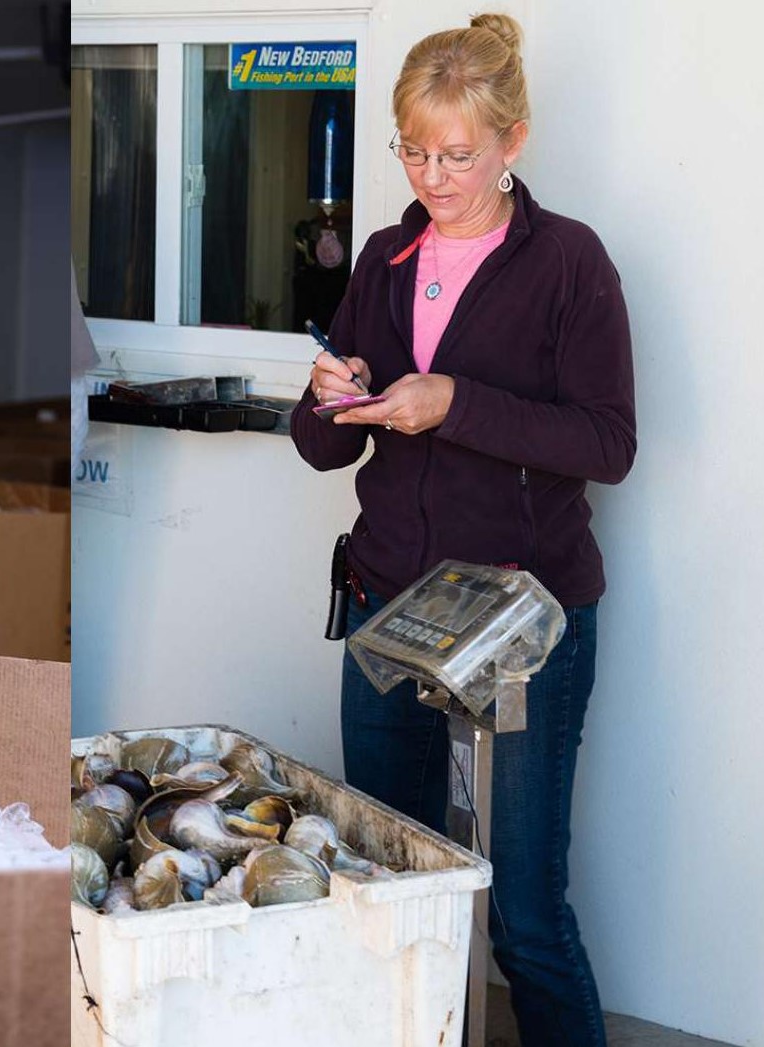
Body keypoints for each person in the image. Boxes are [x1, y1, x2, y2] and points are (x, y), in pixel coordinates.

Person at [290, 15, 635, 1046]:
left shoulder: (571, 263)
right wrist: (321, 398)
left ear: (514, 141)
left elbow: (609, 443)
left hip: (524, 618)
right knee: (400, 886)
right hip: (388, 601)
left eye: (459, 154)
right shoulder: (388, 259)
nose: (433, 176)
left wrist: (456, 403)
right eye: (414, 151)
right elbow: (323, 451)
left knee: (524, 913)